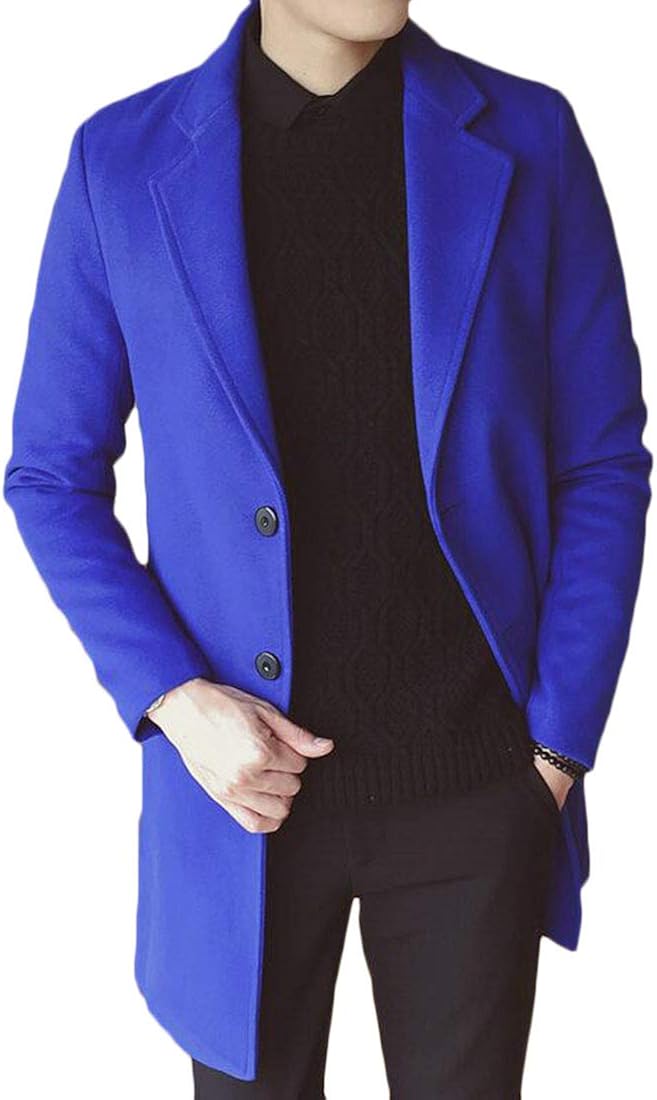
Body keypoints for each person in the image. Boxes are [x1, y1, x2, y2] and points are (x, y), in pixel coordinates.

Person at [4, 0, 651, 1095]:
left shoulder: (528, 136)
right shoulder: (122, 160)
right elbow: (51, 478)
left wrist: (555, 750)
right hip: (240, 799)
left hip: (473, 786)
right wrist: (174, 700)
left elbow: (600, 460)